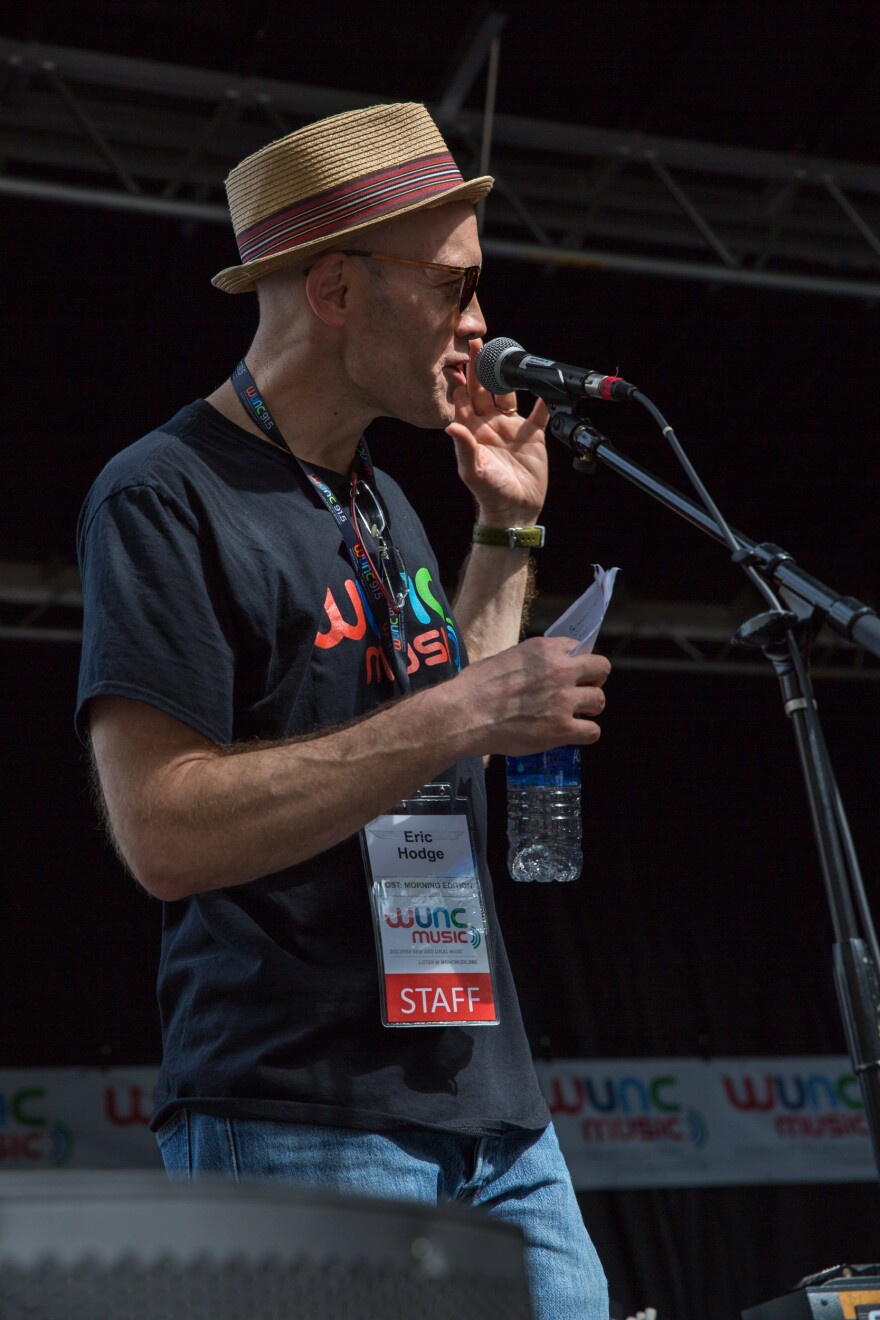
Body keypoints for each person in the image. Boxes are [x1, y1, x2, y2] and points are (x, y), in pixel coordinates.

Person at [77, 102, 610, 1320]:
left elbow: (439, 734)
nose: (481, 323)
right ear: (333, 288)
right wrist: (462, 710)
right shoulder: (162, 497)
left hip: (492, 1112)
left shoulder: (386, 503)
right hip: (294, 1114)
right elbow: (161, 831)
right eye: (452, 285)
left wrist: (506, 531)